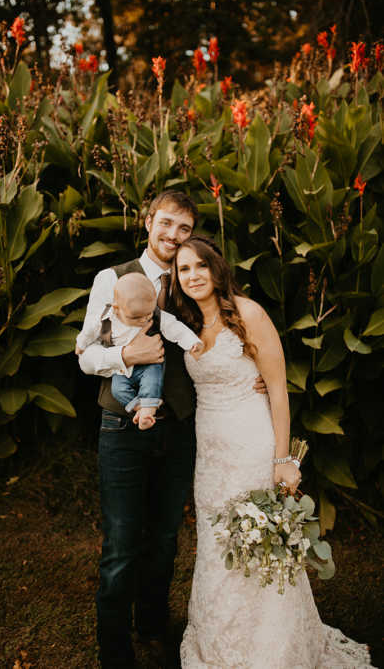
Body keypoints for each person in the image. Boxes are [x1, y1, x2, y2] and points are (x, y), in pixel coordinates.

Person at [75, 190, 267, 669]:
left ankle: (153, 628)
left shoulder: (188, 280)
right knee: (122, 541)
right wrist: (124, 355)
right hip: (121, 427)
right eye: (166, 224)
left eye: (184, 228)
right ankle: (114, 646)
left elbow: (222, 325)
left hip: (179, 428)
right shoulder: (111, 279)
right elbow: (83, 353)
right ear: (147, 222)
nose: (173, 236)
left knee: (164, 538)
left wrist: (252, 370)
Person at [171, 234, 375, 669]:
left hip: (250, 443)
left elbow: (278, 389)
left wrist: (284, 459)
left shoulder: (248, 314)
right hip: (209, 454)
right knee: (216, 543)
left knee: (258, 540)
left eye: (199, 266)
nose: (192, 275)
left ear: (216, 268)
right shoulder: (187, 324)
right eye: (183, 269)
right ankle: (222, 640)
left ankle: (271, 648)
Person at [77, 271, 202, 430]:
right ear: (117, 308)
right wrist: (81, 343)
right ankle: (137, 407)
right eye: (136, 318)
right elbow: (90, 331)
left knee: (152, 383)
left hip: (150, 364)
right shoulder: (106, 318)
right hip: (122, 369)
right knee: (118, 389)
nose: (144, 320)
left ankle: (148, 410)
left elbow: (174, 327)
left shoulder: (154, 314)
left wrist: (192, 342)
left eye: (148, 314)